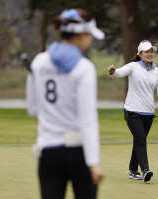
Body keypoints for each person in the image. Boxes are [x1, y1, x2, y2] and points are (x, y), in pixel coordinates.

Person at [26, 8, 105, 199]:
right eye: (89, 36)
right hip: (79, 153)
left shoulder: (39, 62)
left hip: (48, 152)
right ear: (82, 34)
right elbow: (87, 118)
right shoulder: (84, 67)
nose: (90, 40)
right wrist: (94, 162)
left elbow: (33, 108)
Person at [107, 40, 158, 182]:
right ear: (140, 54)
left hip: (148, 113)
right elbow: (121, 72)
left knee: (138, 141)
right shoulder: (133, 67)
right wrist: (113, 71)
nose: (150, 54)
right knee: (141, 140)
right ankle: (145, 170)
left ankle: (133, 170)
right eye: (147, 51)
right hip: (132, 111)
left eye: (151, 51)